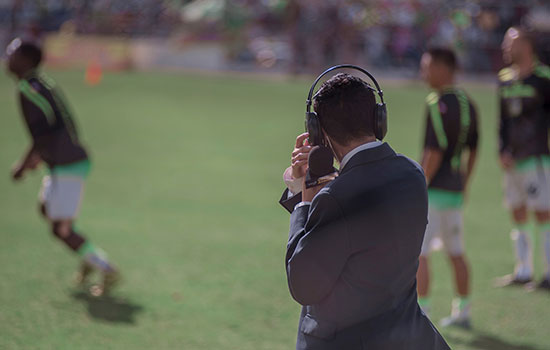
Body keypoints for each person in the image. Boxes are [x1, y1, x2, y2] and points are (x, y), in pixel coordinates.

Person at [280, 72, 449, 349]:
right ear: (378, 119)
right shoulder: (413, 174)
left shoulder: (336, 197)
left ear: (317, 131)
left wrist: (305, 200)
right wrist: (320, 188)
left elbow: (303, 284)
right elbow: (354, 229)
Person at [5, 38, 120, 296]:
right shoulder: (40, 83)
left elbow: (42, 135)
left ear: (25, 60)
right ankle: (86, 255)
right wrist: (40, 157)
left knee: (61, 229)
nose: (7, 57)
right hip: (62, 163)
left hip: (68, 165)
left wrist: (23, 165)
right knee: (47, 210)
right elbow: (58, 125)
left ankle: (106, 268)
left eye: (12, 53)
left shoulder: (29, 89)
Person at [417, 47, 479, 329]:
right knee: (456, 252)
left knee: (420, 254)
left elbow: (434, 151)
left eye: (427, 66)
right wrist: (464, 183)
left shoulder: (435, 103)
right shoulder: (469, 103)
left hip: (433, 191)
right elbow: (473, 150)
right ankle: (463, 311)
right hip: (454, 191)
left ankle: (422, 313)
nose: (423, 72)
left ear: (444, 68)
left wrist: (419, 184)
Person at [495, 27, 550, 290]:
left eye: (511, 42)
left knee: (543, 213)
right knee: (517, 212)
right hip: (512, 161)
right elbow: (502, 122)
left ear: (527, 46)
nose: (506, 47)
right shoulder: (505, 79)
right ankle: (523, 270)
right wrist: (502, 150)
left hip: (537, 159)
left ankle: (549, 273)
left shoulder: (544, 78)